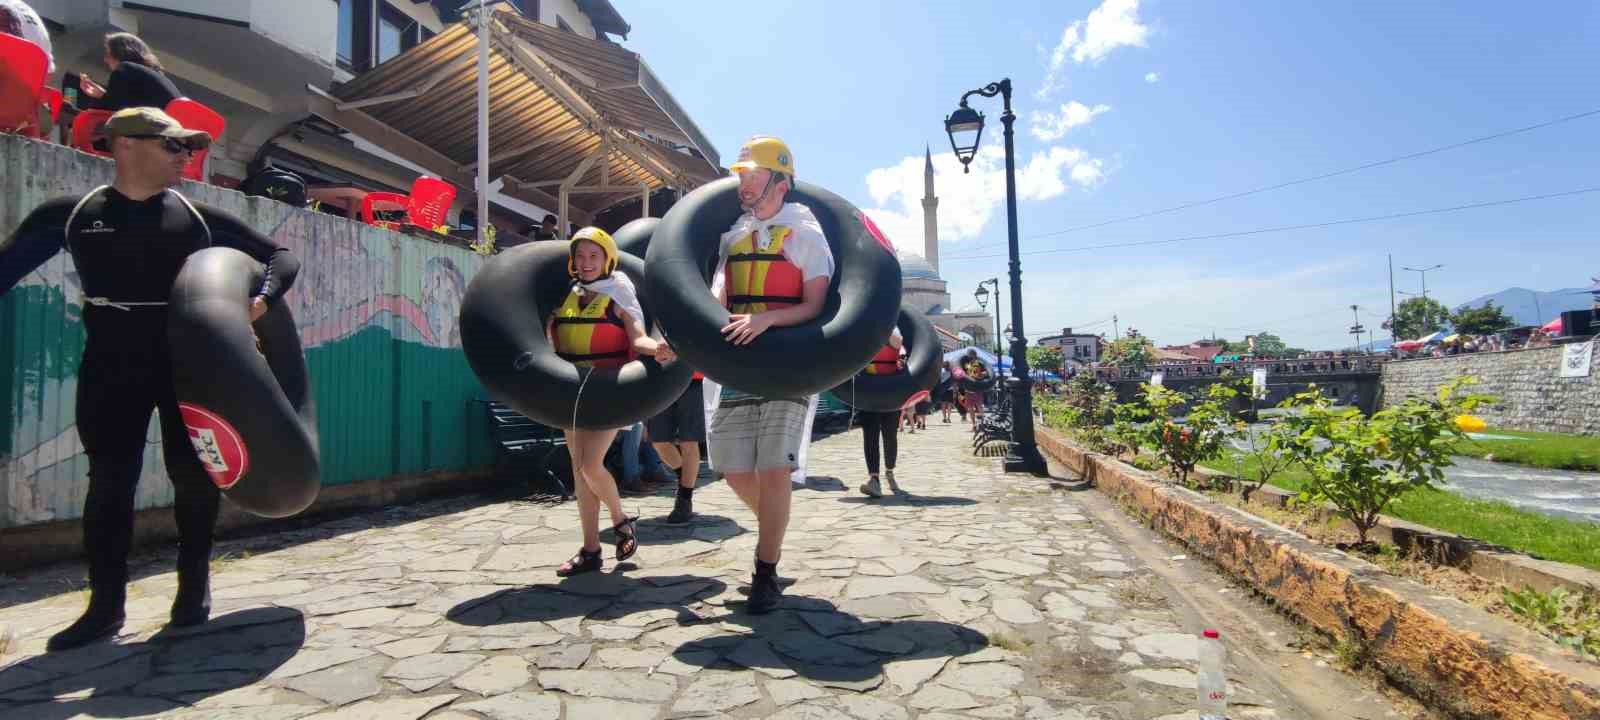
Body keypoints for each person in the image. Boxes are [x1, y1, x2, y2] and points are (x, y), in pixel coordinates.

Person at [0, 107, 300, 651]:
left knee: (192, 477)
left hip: (187, 369)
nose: (186, 156)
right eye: (174, 147)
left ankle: (192, 593)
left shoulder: (198, 218)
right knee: (110, 484)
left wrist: (260, 300)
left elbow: (280, 256)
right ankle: (104, 608)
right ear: (125, 146)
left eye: (189, 148)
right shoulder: (72, 215)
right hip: (111, 368)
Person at [661, 136, 832, 614]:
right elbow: (717, 300)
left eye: (753, 176)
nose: (744, 184)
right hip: (737, 364)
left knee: (774, 468)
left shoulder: (806, 236)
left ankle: (765, 571)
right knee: (734, 471)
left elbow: (816, 305)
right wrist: (681, 343)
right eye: (741, 176)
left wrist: (767, 320)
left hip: (786, 363)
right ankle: (773, 533)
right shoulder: (733, 235)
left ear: (780, 181)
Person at [546, 226, 673, 576]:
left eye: (594, 256)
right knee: (579, 472)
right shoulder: (568, 295)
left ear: (607, 259)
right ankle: (590, 551)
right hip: (571, 392)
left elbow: (639, 337)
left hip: (609, 392)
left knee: (590, 465)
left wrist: (658, 350)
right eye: (581, 256)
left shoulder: (619, 292)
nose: (586, 263)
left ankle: (620, 520)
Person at [649, 367, 706, 524]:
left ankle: (684, 499)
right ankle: (685, 476)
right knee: (658, 441)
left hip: (693, 377)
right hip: (659, 378)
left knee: (689, 440)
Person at [78, 33, 181, 113]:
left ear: (120, 53)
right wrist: (102, 95)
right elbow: (128, 104)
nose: (105, 60)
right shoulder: (155, 75)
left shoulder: (125, 68)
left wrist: (102, 96)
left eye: (108, 54)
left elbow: (115, 113)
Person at [858, 328, 903, 498]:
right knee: (870, 435)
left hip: (890, 391)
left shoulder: (892, 328)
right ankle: (874, 479)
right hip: (868, 390)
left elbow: (897, 342)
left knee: (890, 435)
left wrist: (882, 323)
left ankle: (889, 470)